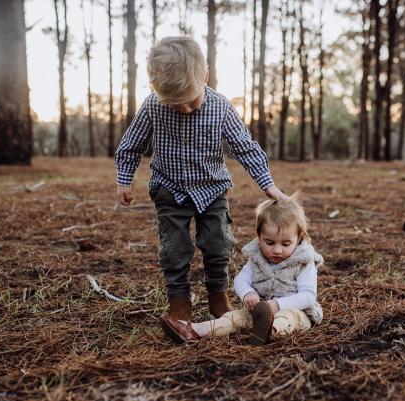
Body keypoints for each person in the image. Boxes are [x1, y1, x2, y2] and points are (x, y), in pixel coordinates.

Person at [114, 36, 287, 329]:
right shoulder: (153, 107)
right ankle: (179, 301)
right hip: (170, 188)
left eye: (190, 100)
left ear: (204, 76)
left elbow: (245, 148)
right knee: (174, 249)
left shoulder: (220, 107)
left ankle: (218, 296)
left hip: (212, 189)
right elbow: (131, 145)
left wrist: (267, 184)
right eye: (174, 103)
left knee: (218, 244)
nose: (184, 109)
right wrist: (124, 180)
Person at [160, 197, 324, 345]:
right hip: (258, 313)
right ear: (259, 237)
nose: (277, 250)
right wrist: (248, 293)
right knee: (234, 317)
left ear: (299, 238)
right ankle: (195, 330)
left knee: (287, 317)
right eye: (269, 242)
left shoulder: (303, 262)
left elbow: (308, 296)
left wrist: (277, 305)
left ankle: (269, 332)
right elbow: (241, 279)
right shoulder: (257, 259)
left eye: (285, 244)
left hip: (298, 314)